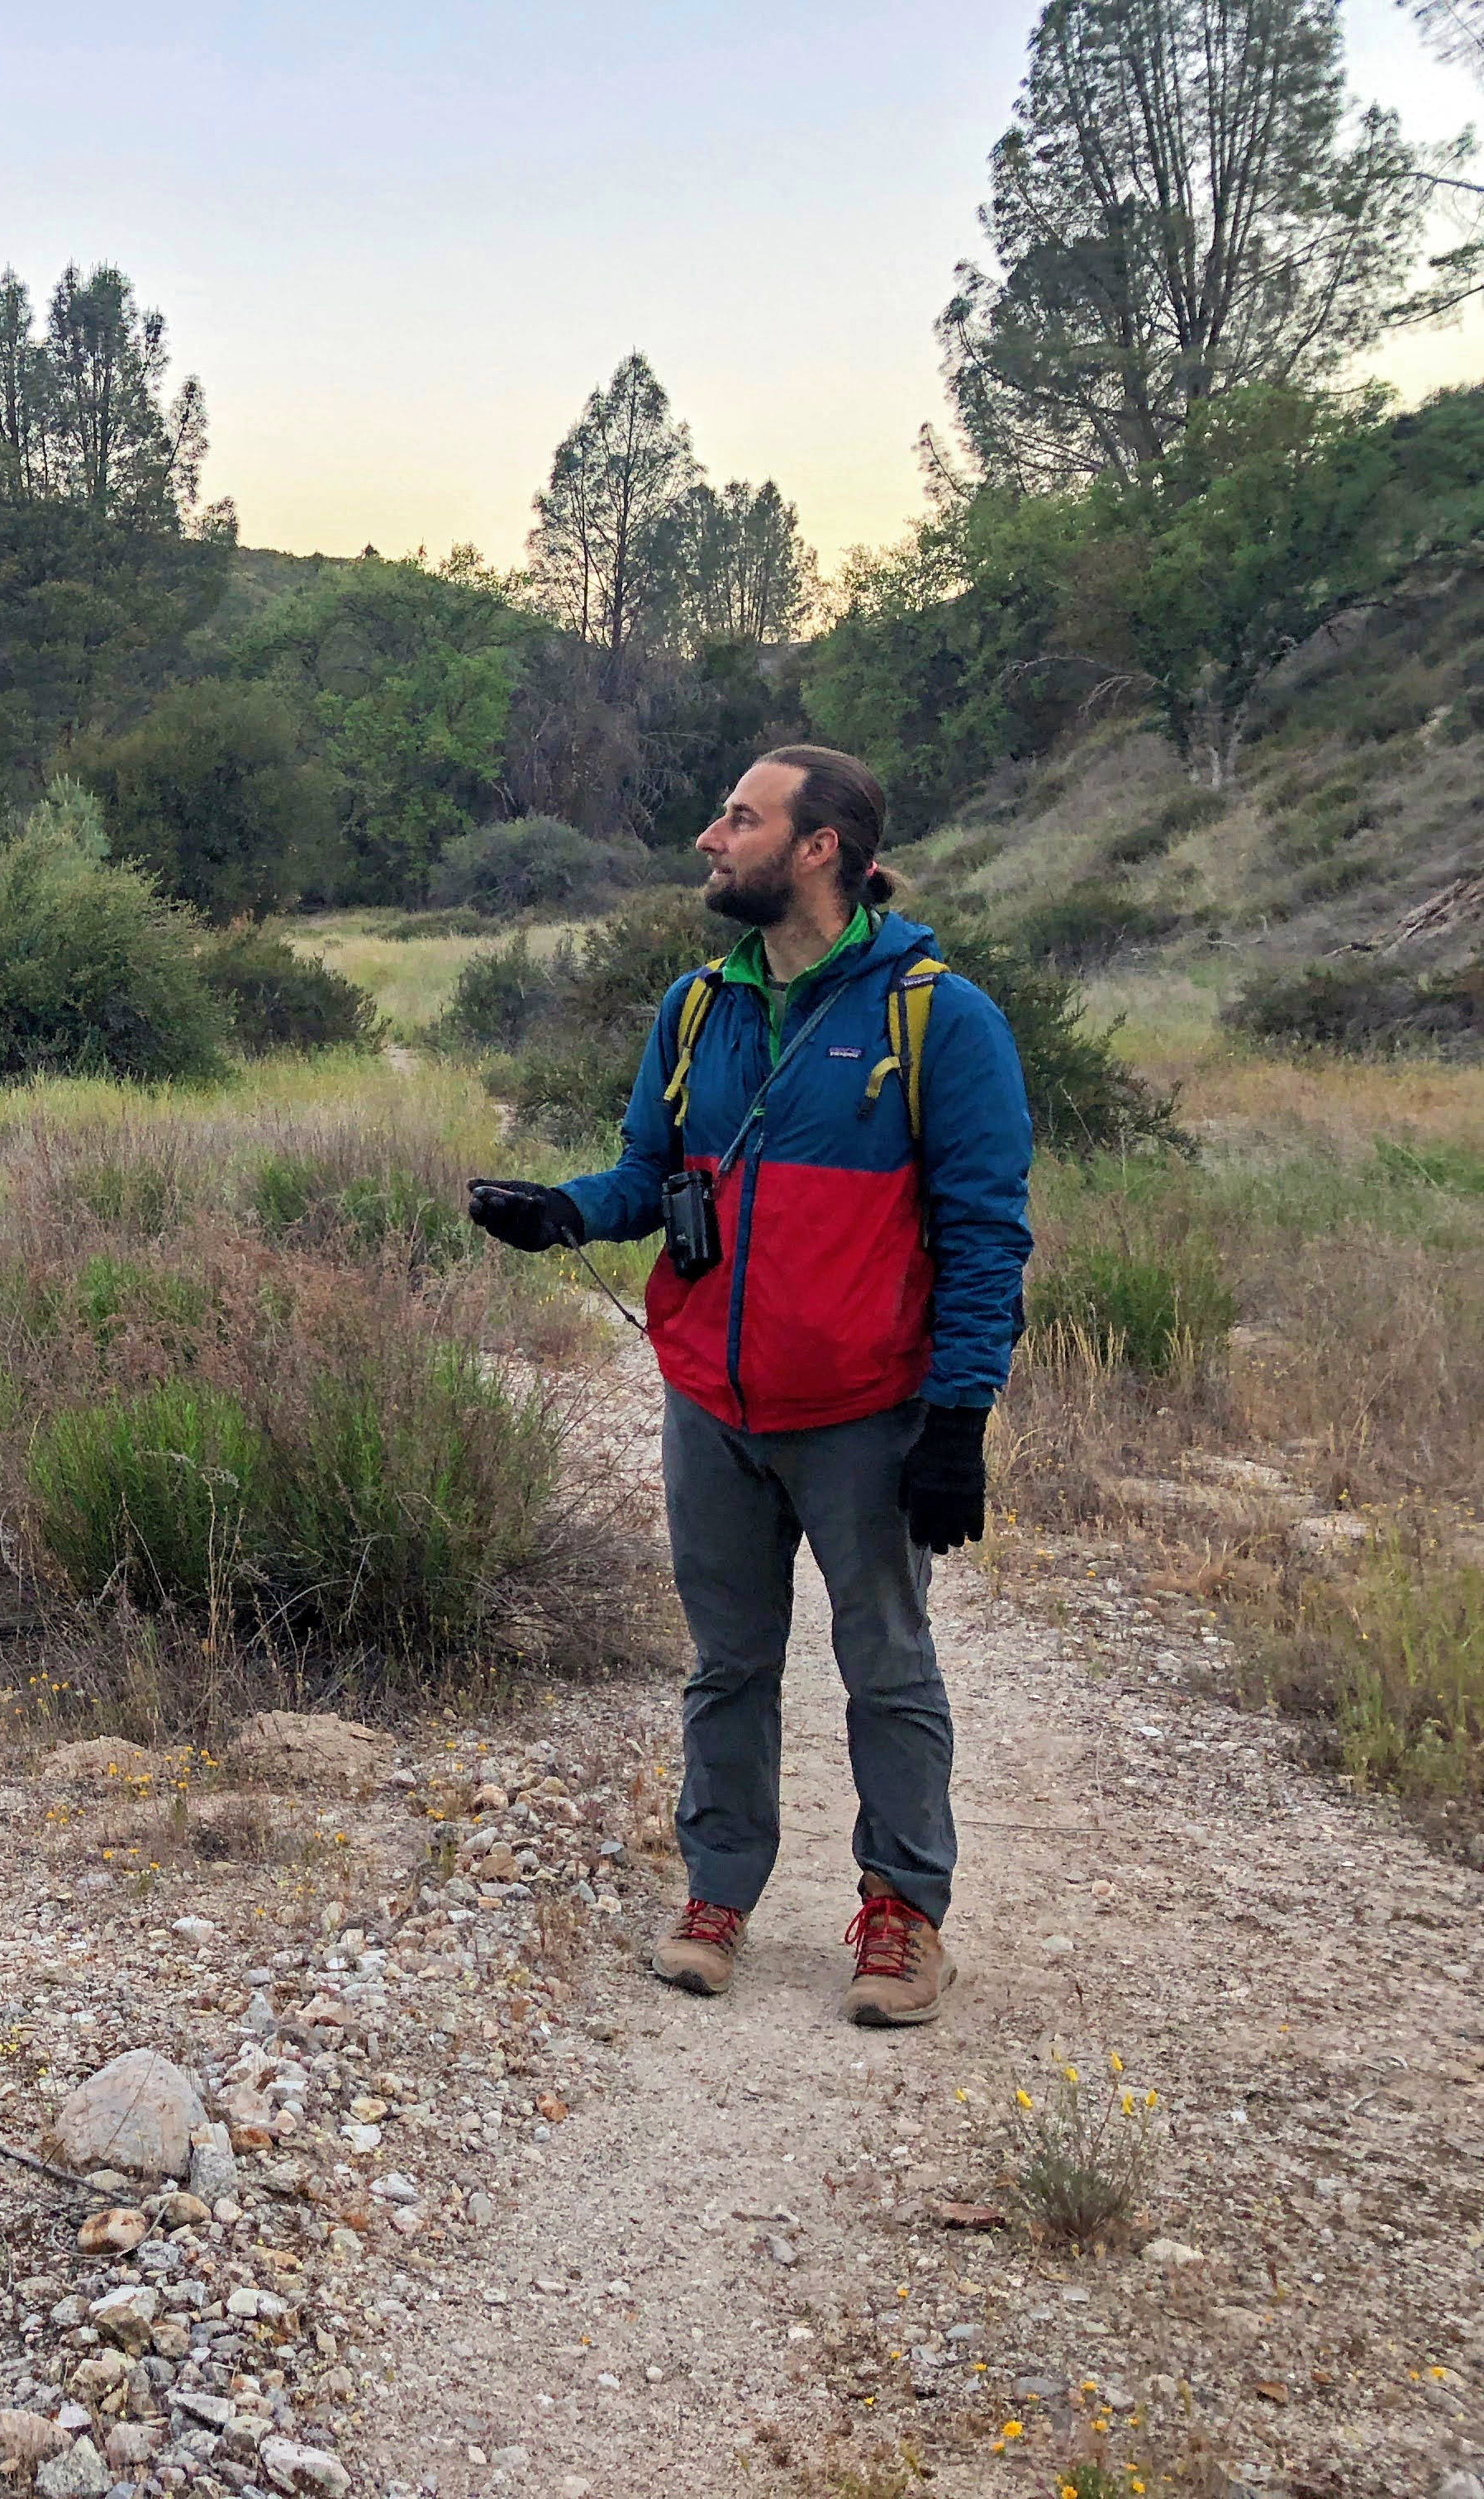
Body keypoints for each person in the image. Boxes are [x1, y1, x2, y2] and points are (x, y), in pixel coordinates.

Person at [465, 745, 1031, 2025]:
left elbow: (988, 1230)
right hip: (712, 1405)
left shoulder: (939, 1017)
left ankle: (903, 1917)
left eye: (739, 818)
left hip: (867, 1414)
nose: (712, 840)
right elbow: (650, 1171)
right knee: (728, 1665)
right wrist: (565, 1209)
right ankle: (718, 1890)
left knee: (885, 1665)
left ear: (819, 847)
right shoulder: (697, 1006)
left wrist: (959, 1419)